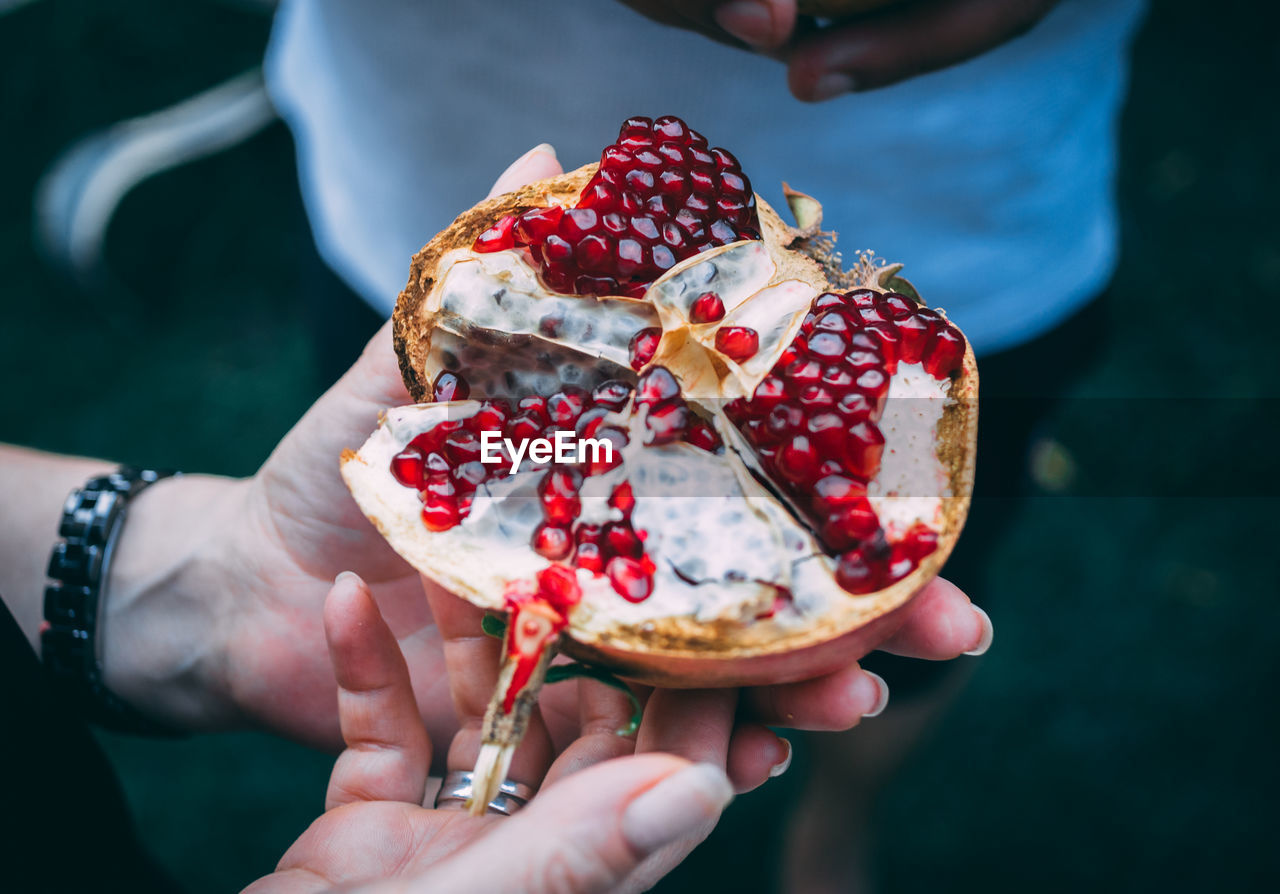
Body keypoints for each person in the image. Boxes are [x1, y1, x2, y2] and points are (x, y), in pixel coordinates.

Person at [262, 0, 1144, 888]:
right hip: (416, 131)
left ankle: (841, 816)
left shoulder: (917, 373)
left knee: (915, 618)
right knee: (897, 625)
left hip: (982, 192)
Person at [0, 148, 992, 891]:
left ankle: (841, 813)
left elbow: (904, 488)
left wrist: (221, 581)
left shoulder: (910, 386)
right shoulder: (902, 368)